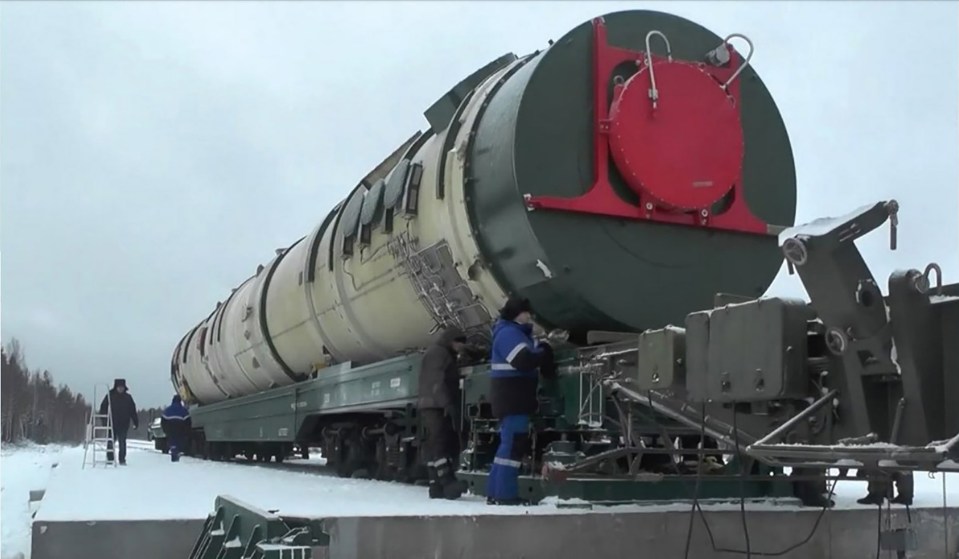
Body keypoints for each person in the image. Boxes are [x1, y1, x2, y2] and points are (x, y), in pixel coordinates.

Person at [485, 296, 556, 505]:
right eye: (526, 313)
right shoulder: (508, 333)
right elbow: (523, 360)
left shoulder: (515, 333)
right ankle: (506, 495)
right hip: (513, 398)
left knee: (507, 446)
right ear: (518, 313)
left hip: (513, 398)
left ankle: (495, 492)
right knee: (513, 447)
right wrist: (544, 352)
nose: (529, 316)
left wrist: (541, 349)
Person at [418, 325, 469, 499]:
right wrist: (447, 403)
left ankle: (435, 486)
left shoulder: (440, 352)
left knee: (435, 444)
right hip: (435, 405)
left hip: (432, 403)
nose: (461, 346)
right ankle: (447, 482)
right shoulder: (439, 353)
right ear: (450, 341)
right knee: (440, 443)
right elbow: (436, 382)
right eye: (459, 342)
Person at [98, 378, 138, 465]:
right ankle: (110, 458)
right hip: (111, 423)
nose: (120, 389)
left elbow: (133, 410)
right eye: (119, 387)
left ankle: (122, 459)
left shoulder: (128, 398)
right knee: (110, 441)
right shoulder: (110, 396)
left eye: (122, 387)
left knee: (122, 442)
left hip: (124, 424)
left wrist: (135, 422)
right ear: (116, 387)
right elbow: (103, 408)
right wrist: (104, 421)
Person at [161, 394, 192, 462]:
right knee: (178, 443)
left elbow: (163, 421)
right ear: (180, 401)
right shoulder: (183, 410)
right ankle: (176, 455)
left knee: (173, 443)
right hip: (180, 428)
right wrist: (187, 432)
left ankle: (174, 455)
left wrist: (165, 431)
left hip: (170, 429)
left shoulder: (167, 410)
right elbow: (188, 422)